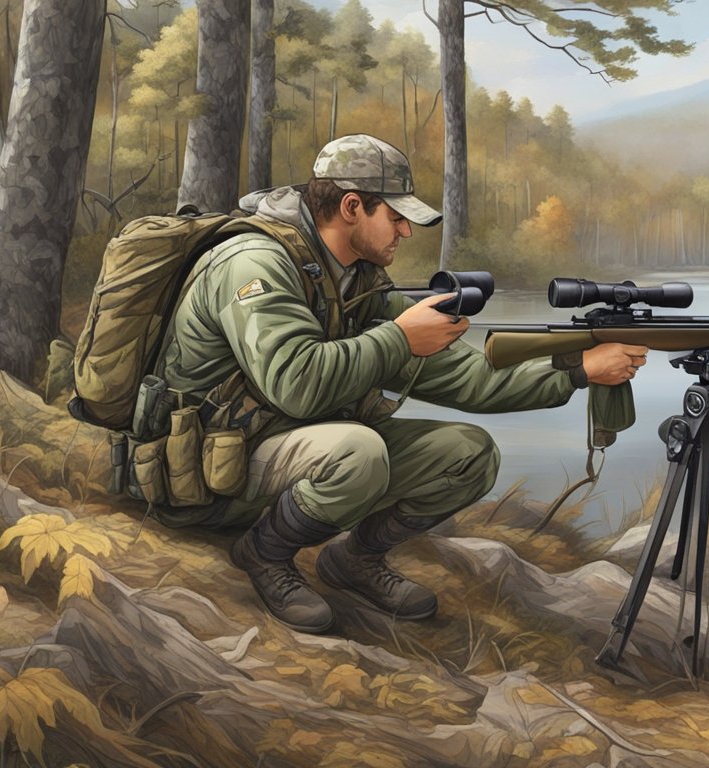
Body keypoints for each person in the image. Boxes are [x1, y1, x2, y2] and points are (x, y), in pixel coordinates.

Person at [156, 134, 648, 633]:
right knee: (360, 451)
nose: (406, 231)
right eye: (395, 217)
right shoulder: (255, 263)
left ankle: (354, 560)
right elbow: (295, 384)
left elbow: (472, 381)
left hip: (286, 443)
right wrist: (399, 338)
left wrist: (579, 369)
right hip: (212, 466)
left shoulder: (354, 279)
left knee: (468, 453)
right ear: (351, 207)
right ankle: (262, 553)